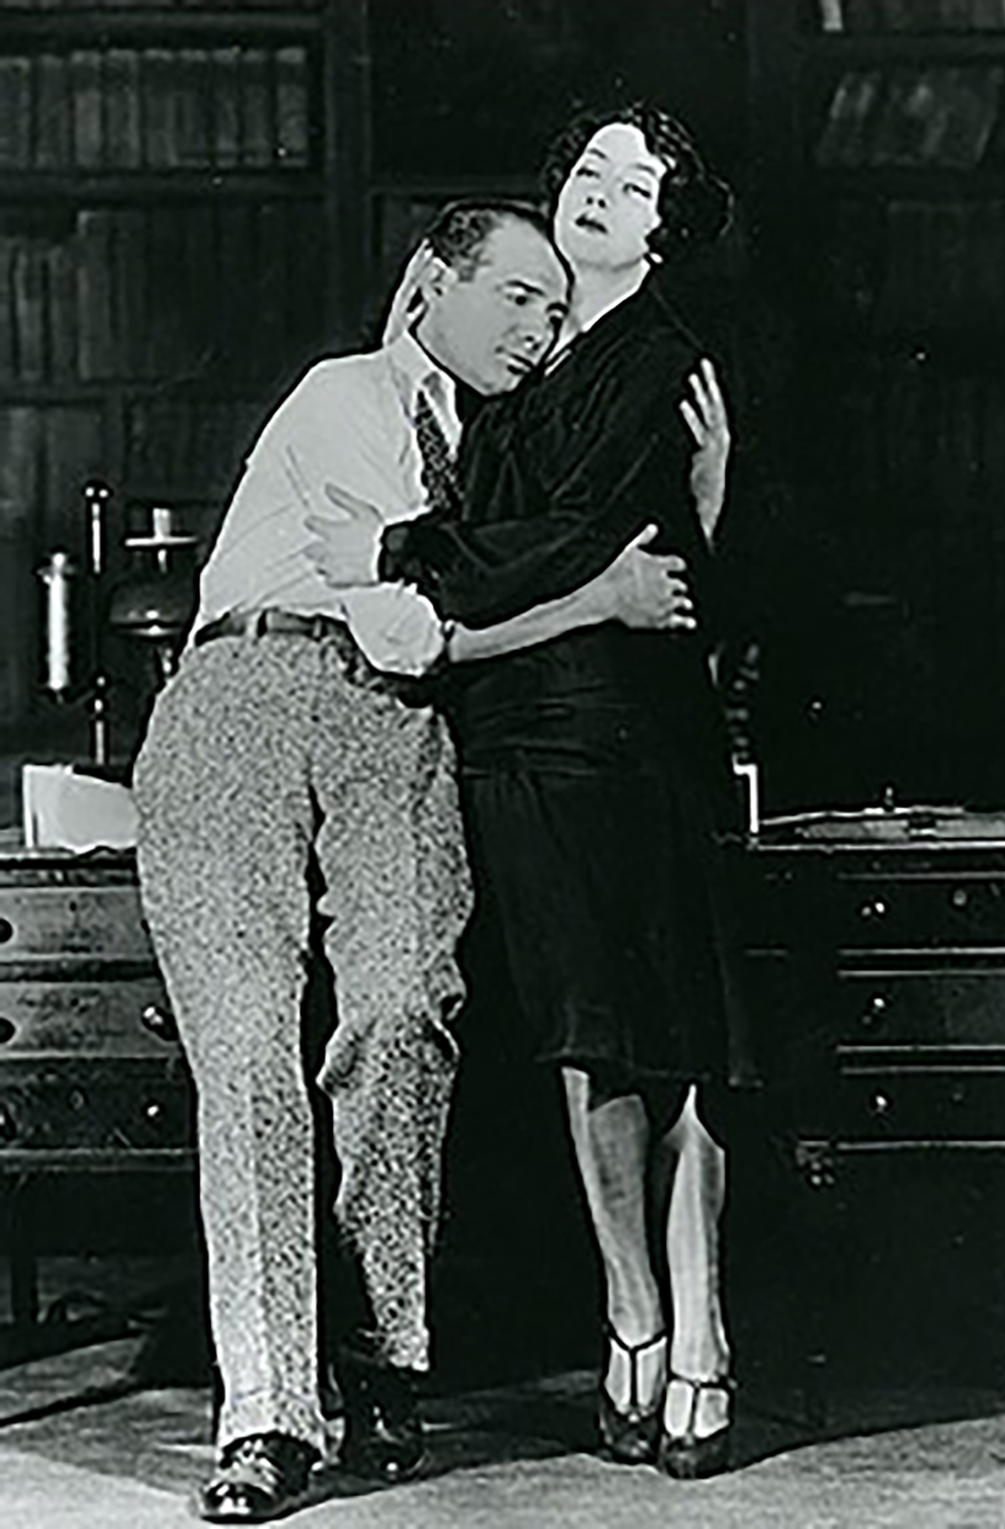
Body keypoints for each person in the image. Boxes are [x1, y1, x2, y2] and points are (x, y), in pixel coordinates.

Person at [132, 198, 704, 1524]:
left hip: (398, 731)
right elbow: (404, 617)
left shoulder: (501, 454)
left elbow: (570, 562)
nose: (539, 329)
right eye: (515, 295)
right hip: (243, 696)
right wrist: (591, 599)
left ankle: (385, 1359)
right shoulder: (346, 395)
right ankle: (268, 1414)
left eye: (556, 310)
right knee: (250, 1054)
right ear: (428, 284)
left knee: (401, 1011)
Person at [305, 104, 749, 1482]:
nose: (599, 193)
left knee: (677, 1033)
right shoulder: (520, 363)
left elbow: (570, 541)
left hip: (628, 731)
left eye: (636, 183)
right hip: (511, 735)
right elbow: (535, 548)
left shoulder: (661, 359)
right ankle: (630, 1313)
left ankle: (700, 1332)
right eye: (588, 171)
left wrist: (398, 548)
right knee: (581, 1030)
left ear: (666, 229)